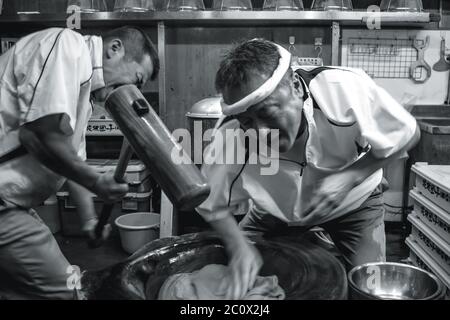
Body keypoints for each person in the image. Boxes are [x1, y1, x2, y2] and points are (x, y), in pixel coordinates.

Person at [196, 39, 420, 300]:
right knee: (234, 278)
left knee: (370, 289)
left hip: (355, 204)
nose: (261, 132)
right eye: (247, 121)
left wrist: (351, 175)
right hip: (275, 212)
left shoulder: (342, 89)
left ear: (294, 86)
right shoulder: (230, 134)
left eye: (267, 113)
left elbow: (406, 132)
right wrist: (238, 246)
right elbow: (211, 201)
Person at [0, 26, 159, 299]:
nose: (134, 91)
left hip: (13, 203)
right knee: (68, 290)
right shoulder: (68, 46)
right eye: (138, 79)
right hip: (4, 202)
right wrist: (96, 181)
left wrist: (88, 219)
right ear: (114, 49)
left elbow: (72, 164)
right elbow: (37, 134)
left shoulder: (82, 99)